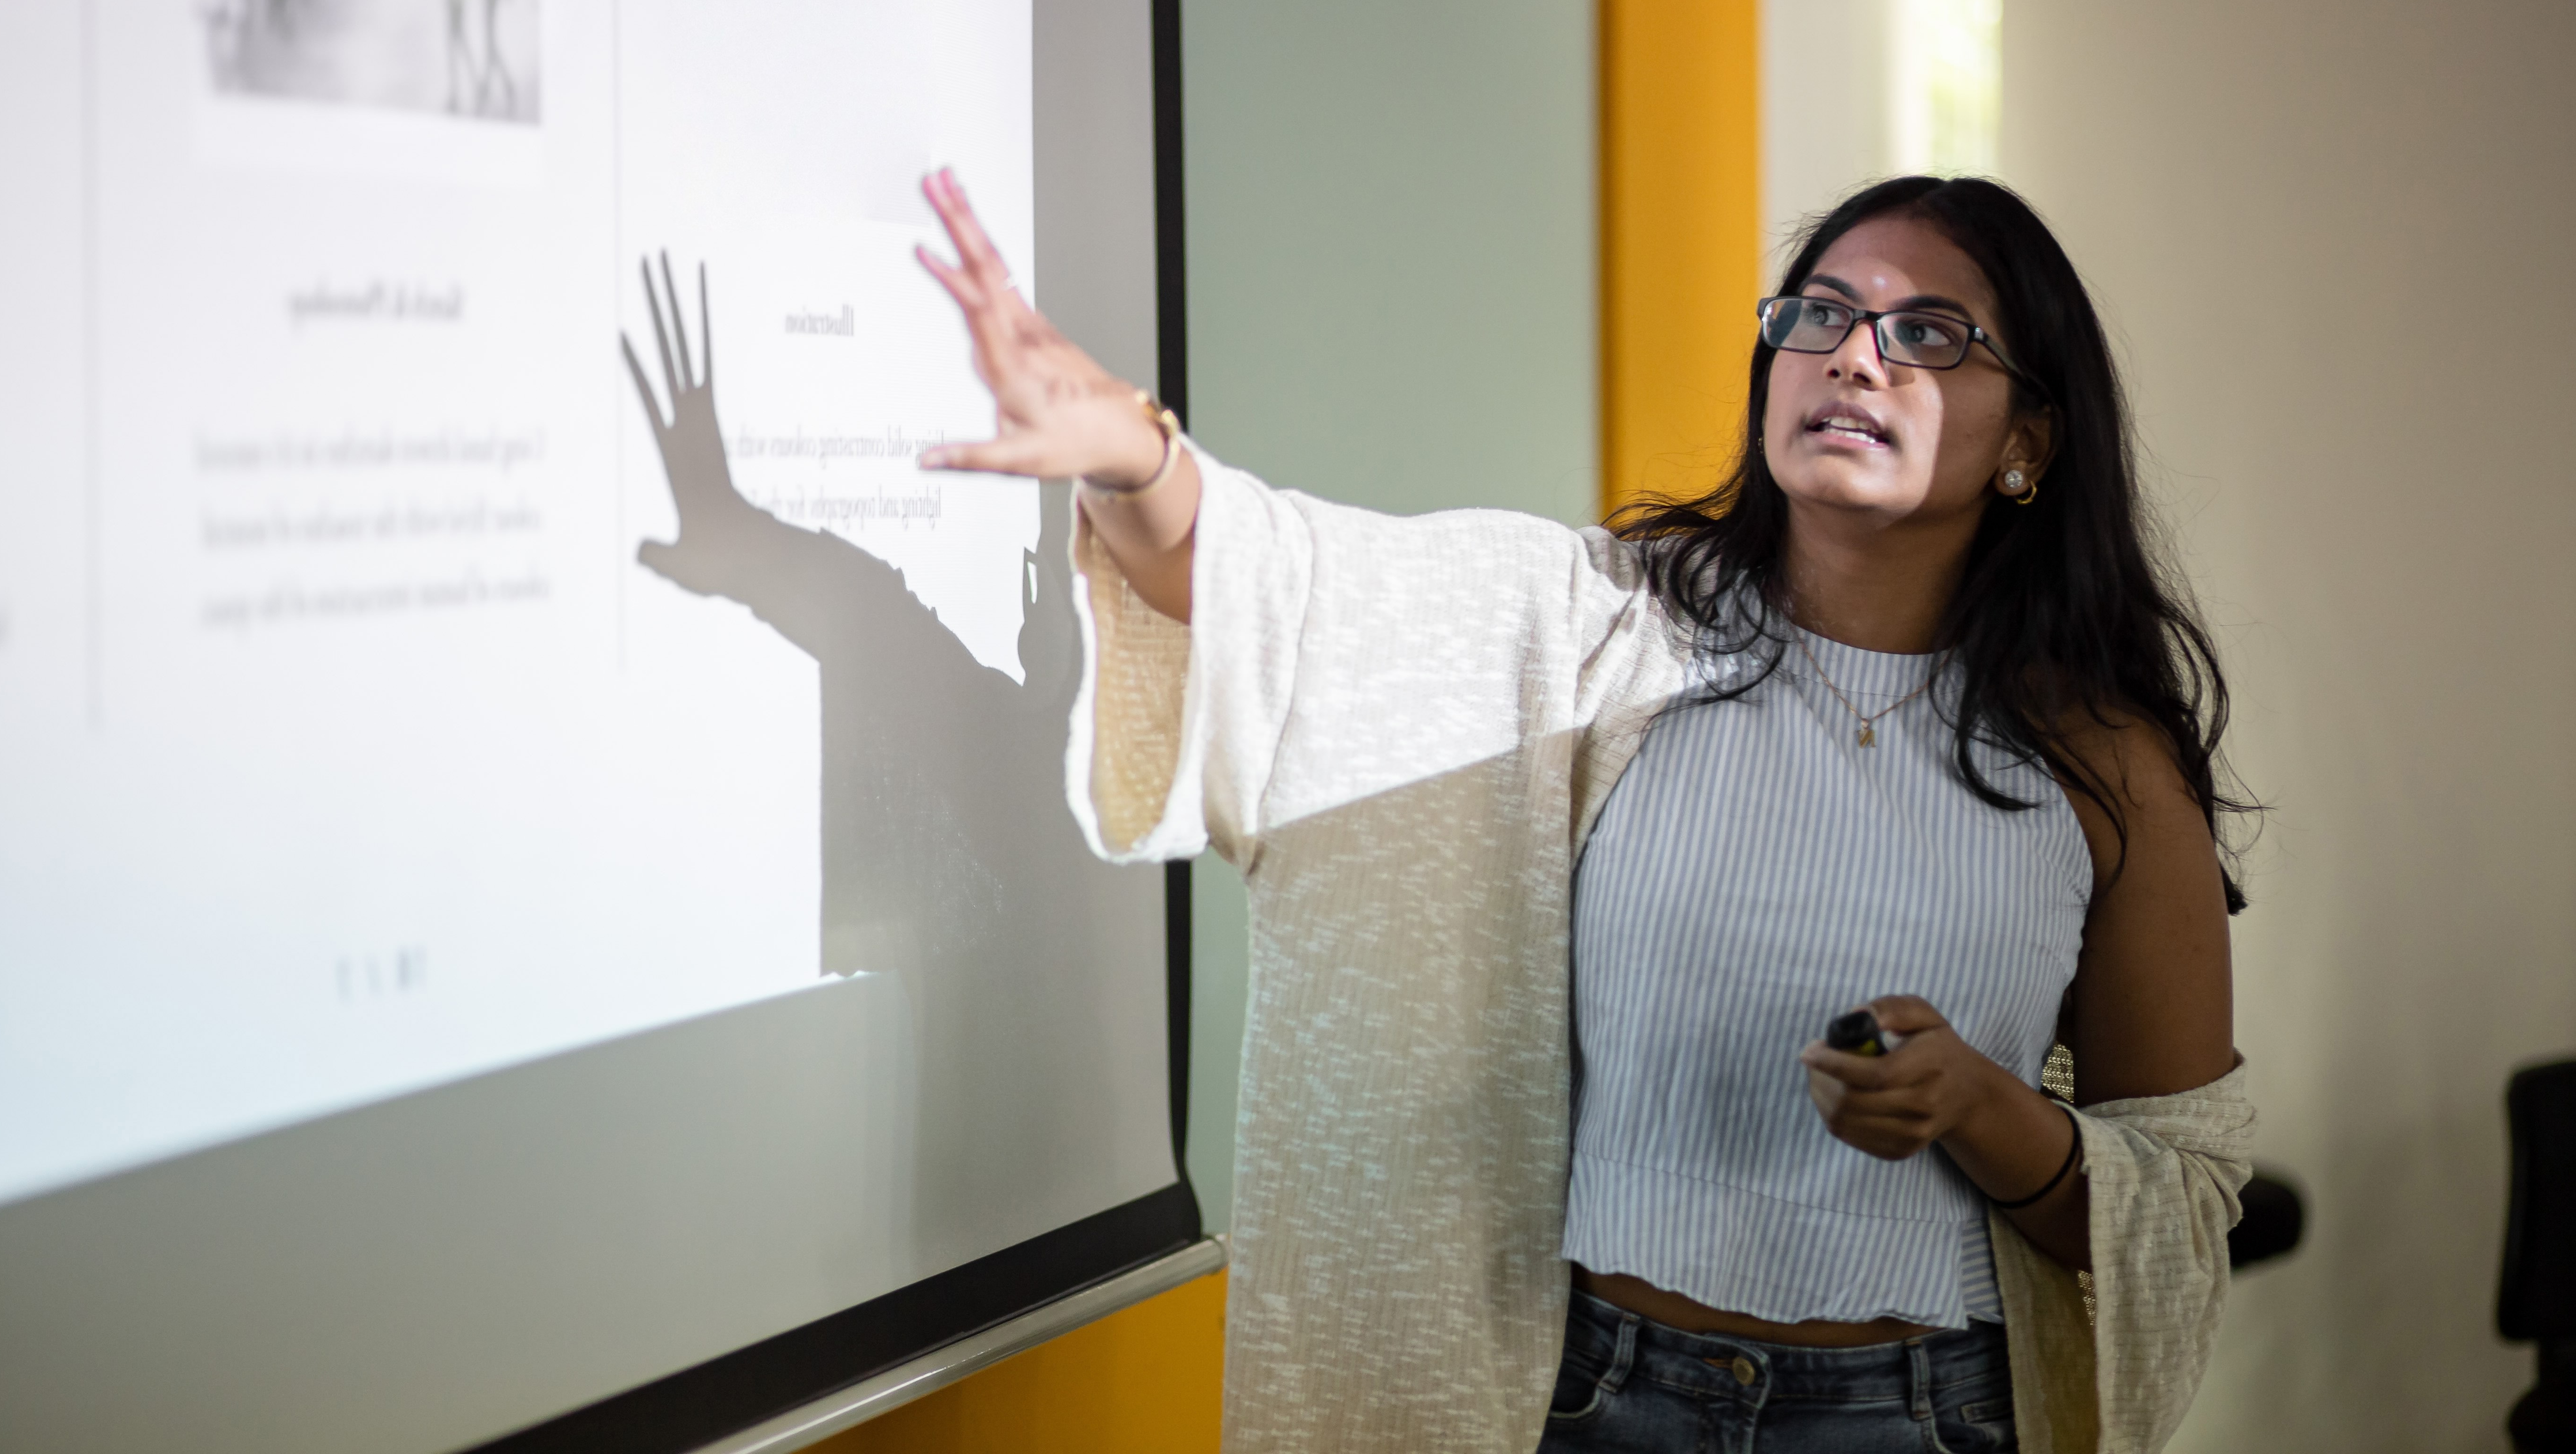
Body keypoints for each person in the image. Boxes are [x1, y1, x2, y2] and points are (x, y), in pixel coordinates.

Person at [912, 167, 2254, 1454]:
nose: (1855, 356)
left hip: (1922, 1417)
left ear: (2027, 440)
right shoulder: (1594, 631)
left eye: (1930, 334)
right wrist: (1131, 457)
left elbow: (2177, 1204)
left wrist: (1977, 1104)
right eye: (1822, 314)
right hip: (1595, 1402)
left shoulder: (2101, 765)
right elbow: (1286, 589)